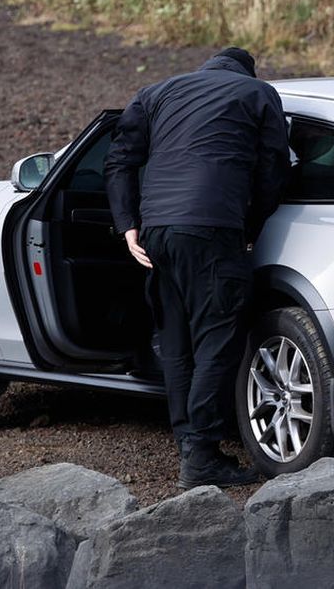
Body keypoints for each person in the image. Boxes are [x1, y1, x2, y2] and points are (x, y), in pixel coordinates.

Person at [105, 46, 289, 488]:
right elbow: (274, 169)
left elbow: (119, 161)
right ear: (247, 71)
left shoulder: (156, 92)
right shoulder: (258, 94)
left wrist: (128, 226)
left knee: (177, 342)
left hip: (158, 233)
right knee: (217, 341)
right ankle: (202, 455)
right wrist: (252, 224)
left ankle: (192, 447)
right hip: (212, 228)